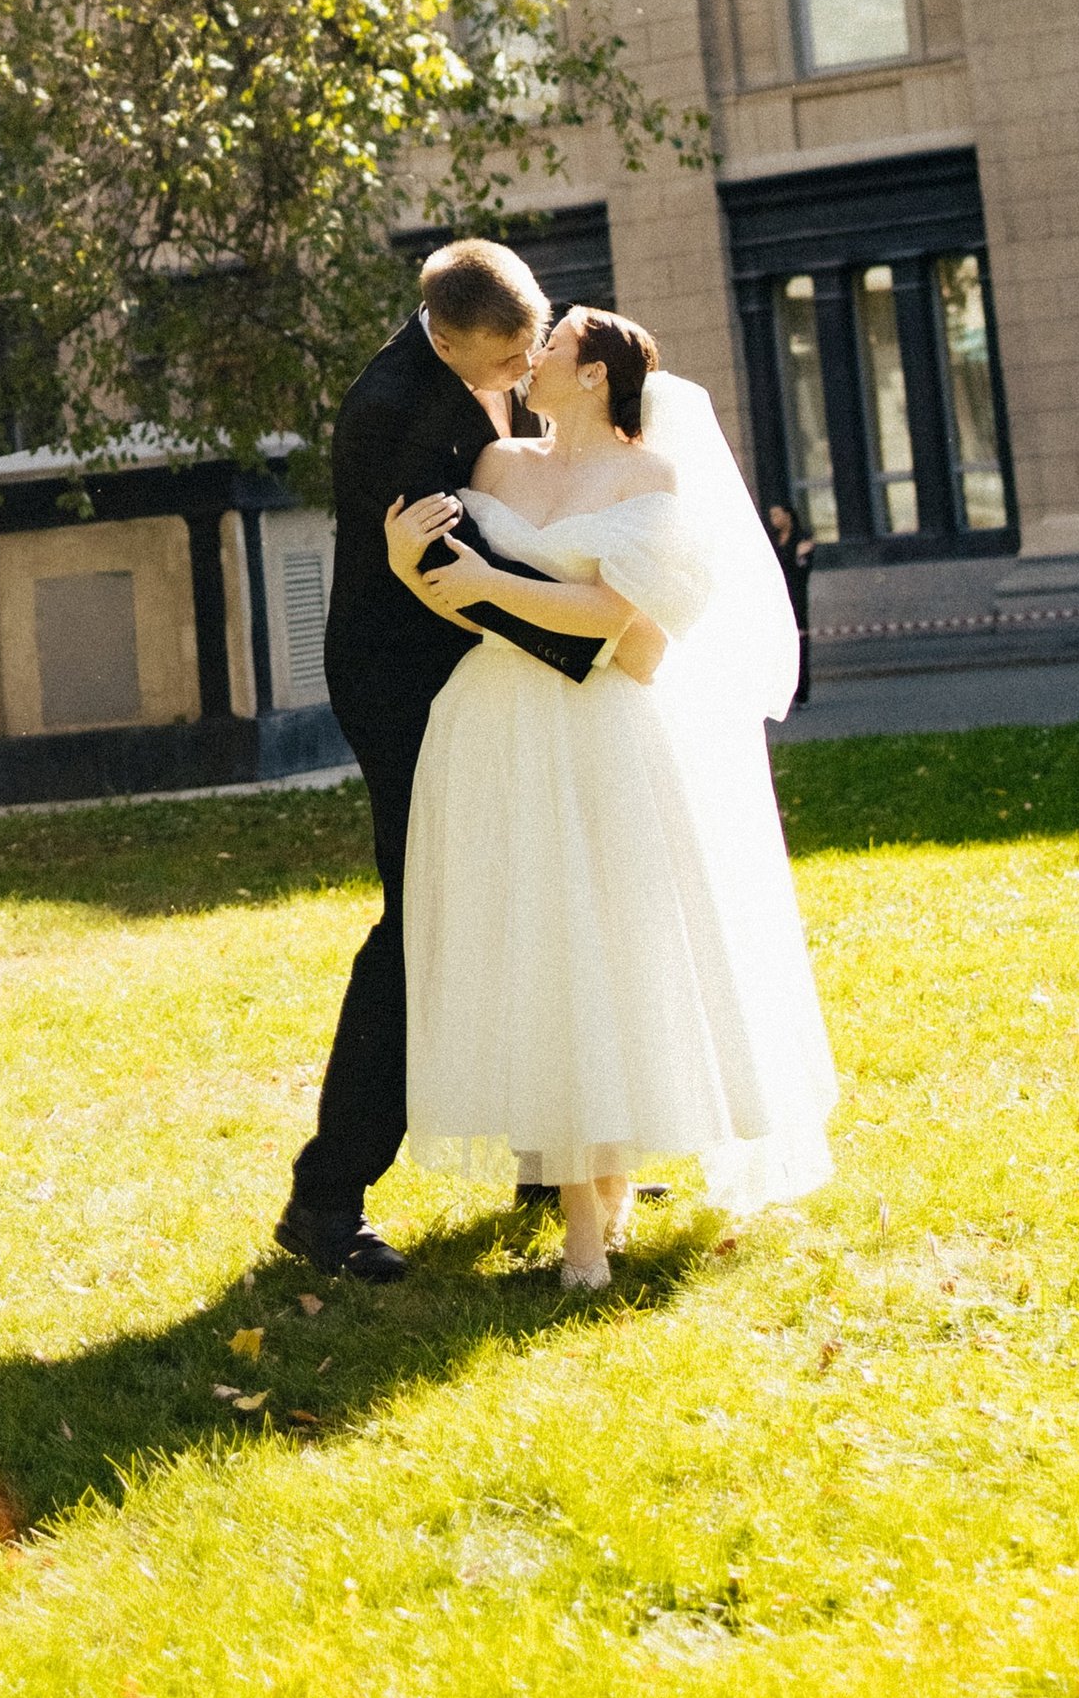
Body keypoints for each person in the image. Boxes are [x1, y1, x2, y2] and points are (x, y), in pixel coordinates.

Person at [389, 305, 837, 1289]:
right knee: (540, 952)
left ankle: (590, 1231)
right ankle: (590, 1199)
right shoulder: (499, 467)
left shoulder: (651, 475)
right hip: (495, 729)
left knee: (610, 952)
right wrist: (406, 566)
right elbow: (451, 584)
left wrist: (492, 589)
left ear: (592, 372)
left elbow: (634, 640)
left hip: (605, 733)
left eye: (549, 345)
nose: (531, 354)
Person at [275, 236, 549, 1284]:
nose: (517, 380)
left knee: (521, 896)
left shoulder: (493, 358)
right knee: (421, 923)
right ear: (444, 337)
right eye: (501, 365)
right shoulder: (393, 402)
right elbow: (441, 569)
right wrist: (597, 631)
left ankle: (550, 1152)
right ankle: (325, 1197)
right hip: (404, 687)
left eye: (525, 358)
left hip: (484, 675)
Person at [763, 498, 814, 707]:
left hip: (796, 597)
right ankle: (782, 692)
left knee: (800, 644)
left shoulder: (801, 539)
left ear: (788, 515)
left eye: (776, 514)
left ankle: (801, 691)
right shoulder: (773, 540)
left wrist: (797, 557)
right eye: (771, 516)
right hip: (777, 598)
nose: (773, 520)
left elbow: (801, 569)